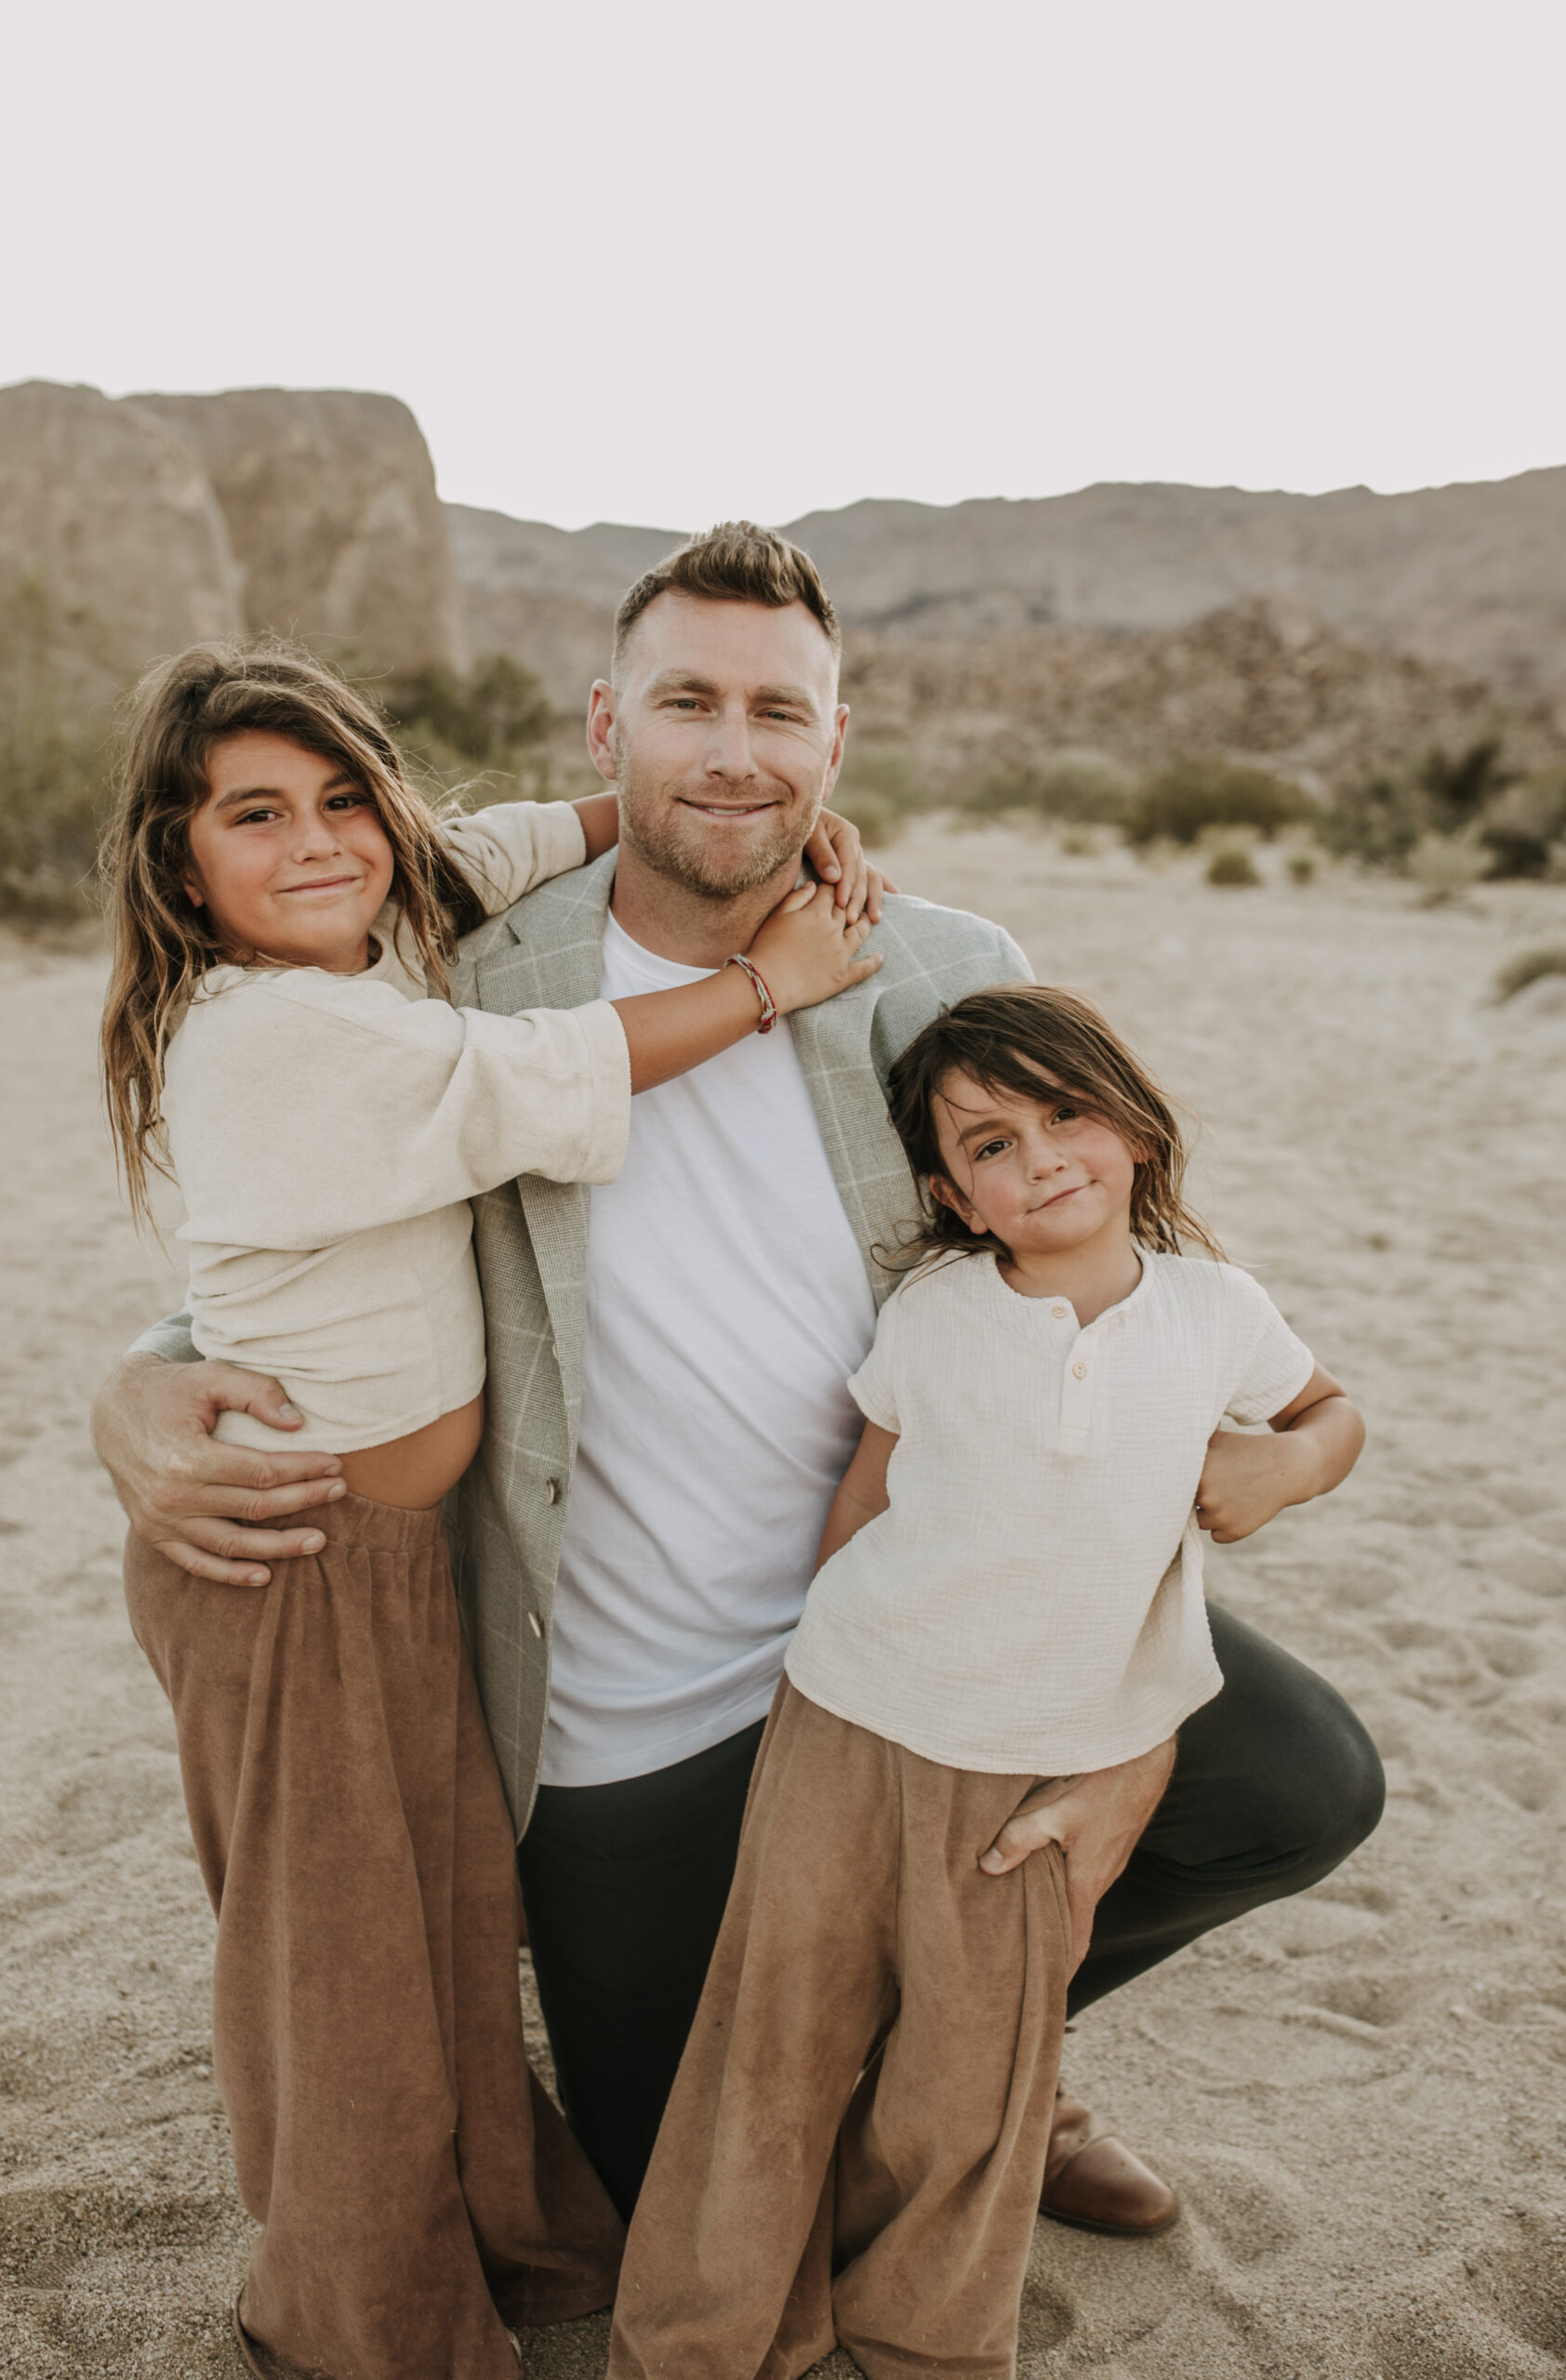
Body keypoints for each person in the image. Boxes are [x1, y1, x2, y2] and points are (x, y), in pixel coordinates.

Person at [93, 523, 1386, 2247]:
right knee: (667, 2196)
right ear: (605, 725)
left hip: (932, 1615)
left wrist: (1138, 1701)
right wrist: (140, 1380)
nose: (732, 749)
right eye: (688, 702)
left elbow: (1104, 1317)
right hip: (630, 1711)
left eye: (780, 711)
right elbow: (304, 1229)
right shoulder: (459, 972)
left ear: (832, 746)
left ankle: (988, 2052)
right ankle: (901, 2072)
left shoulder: (938, 964)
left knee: (1303, 1784)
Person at [97, 639, 881, 2380]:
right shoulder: (272, 1033)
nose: (318, 844)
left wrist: (646, 802)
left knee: (441, 1926)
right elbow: (544, 1080)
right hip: (288, 1565)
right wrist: (777, 979)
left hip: (394, 1565)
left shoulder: (376, 933)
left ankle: (492, 2228)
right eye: (254, 815)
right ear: (181, 861)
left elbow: (496, 846)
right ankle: (352, 2321)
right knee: (341, 1965)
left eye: (342, 802)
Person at [608, 984, 1366, 2379]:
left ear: (1133, 1124)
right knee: (773, 2040)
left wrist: (1290, 1462)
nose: (1042, 1158)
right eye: (991, 1147)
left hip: (1038, 1759)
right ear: (958, 1199)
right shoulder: (940, 1313)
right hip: (850, 1716)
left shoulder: (1219, 1311)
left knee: (974, 2078)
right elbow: (867, 1494)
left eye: (1065, 1113)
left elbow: (1330, 1411)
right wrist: (803, 1670)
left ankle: (926, 2344)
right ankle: (707, 2338)